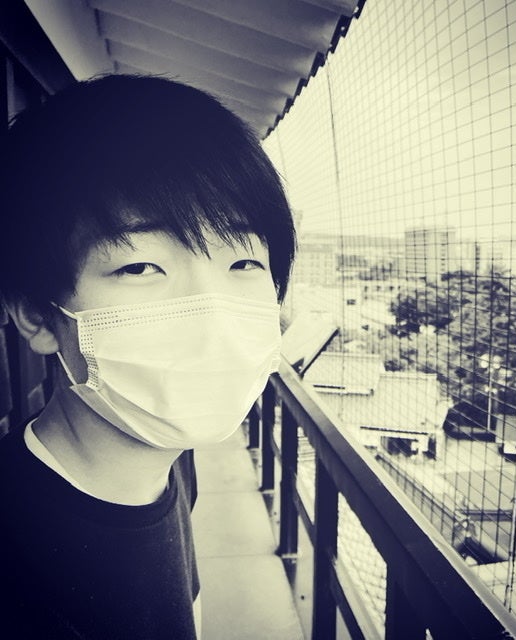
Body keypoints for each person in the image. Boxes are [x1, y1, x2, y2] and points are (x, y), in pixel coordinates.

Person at [0, 74, 296, 639]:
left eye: (244, 263)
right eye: (140, 266)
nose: (210, 316)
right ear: (36, 314)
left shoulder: (174, 461)